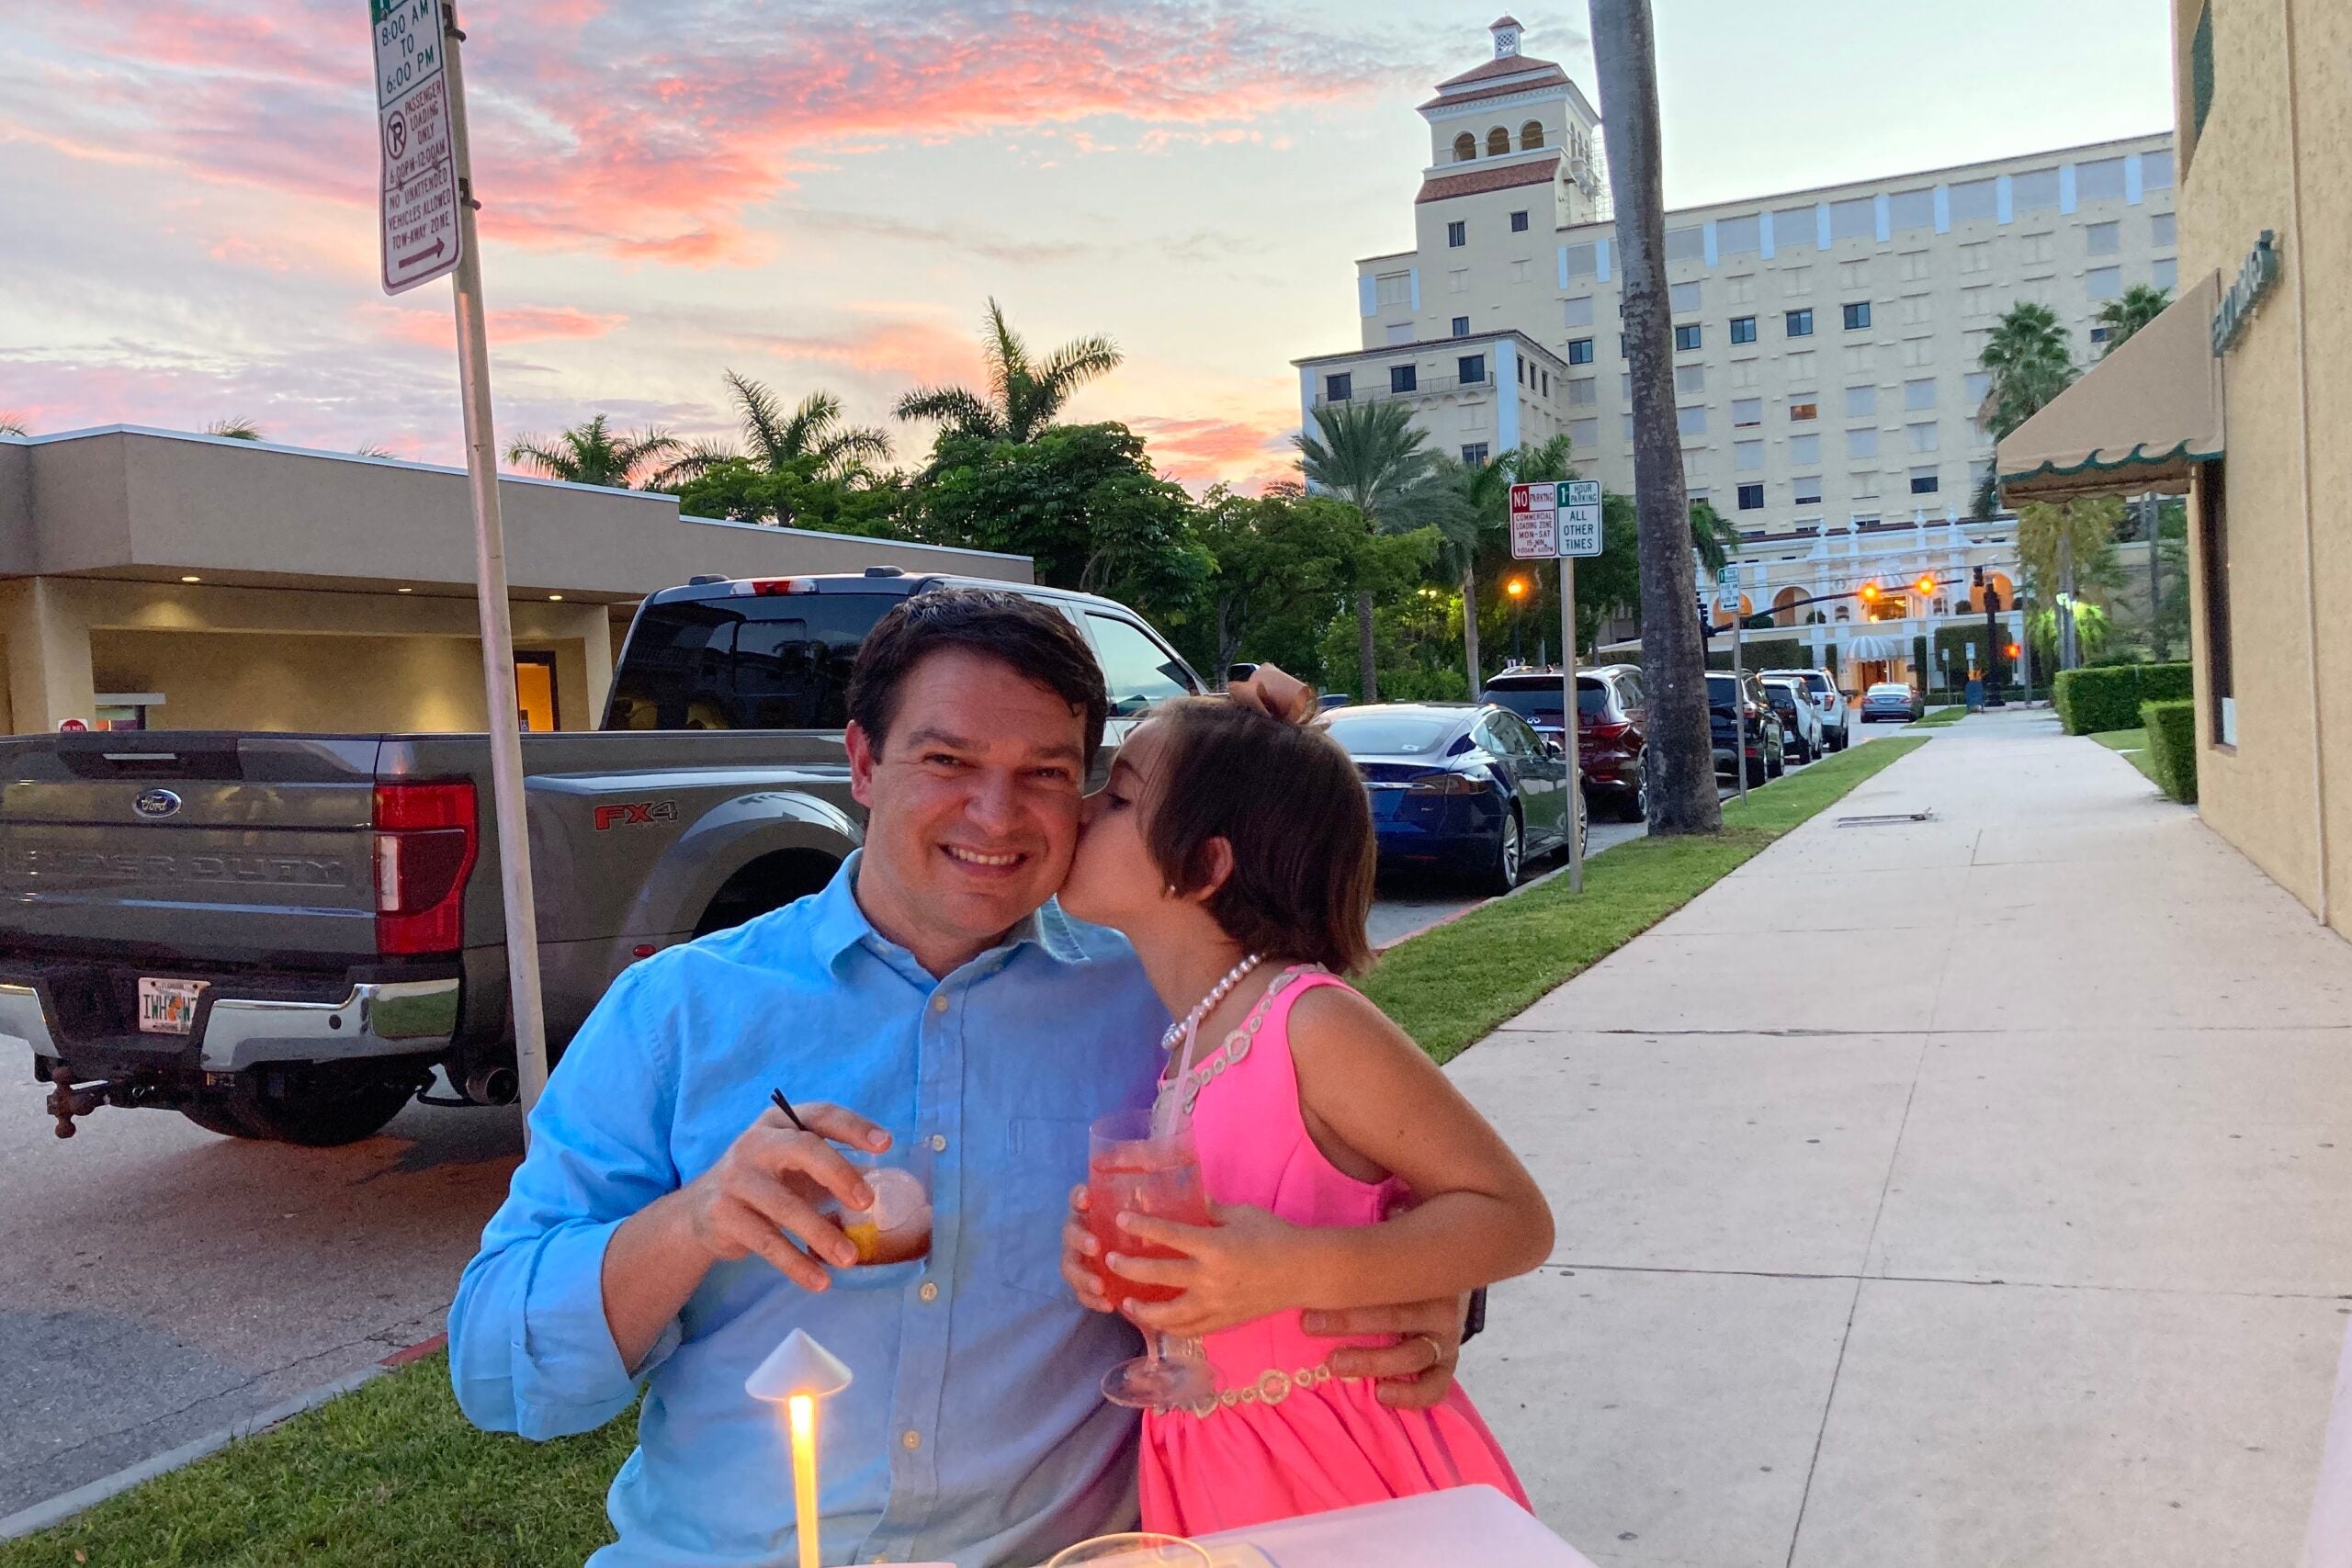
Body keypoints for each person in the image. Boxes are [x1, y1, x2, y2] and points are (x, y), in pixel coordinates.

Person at [447, 589, 1473, 1568]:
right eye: (947, 759)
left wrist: (1423, 1295)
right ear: (861, 761)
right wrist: (694, 1222)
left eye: (1044, 773)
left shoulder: (1172, 1004)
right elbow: (499, 1374)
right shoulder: (676, 1011)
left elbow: (1378, 1175)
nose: (996, 814)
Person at [1056, 695, 1554, 1537]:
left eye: (1119, 795)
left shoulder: (1307, 1022)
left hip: (1342, 1464)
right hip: (1209, 1461)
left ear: (1204, 865)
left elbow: (1515, 1218)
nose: (1081, 808)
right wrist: (1116, 1262)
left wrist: (1297, 1270)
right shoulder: (1185, 1038)